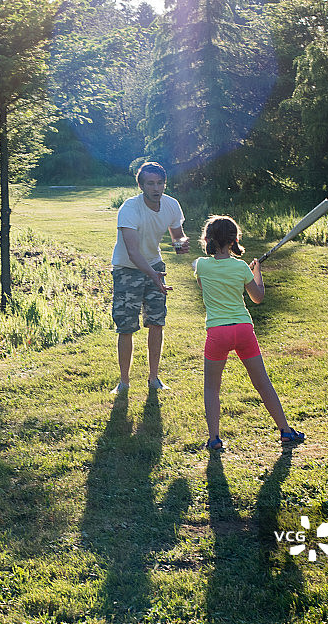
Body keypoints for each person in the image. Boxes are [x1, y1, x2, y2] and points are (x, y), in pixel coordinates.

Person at [193, 215, 305, 450]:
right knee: (263, 383)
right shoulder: (242, 267)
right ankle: (285, 430)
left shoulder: (201, 265)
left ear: (208, 239)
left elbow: (204, 285)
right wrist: (256, 272)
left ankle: (214, 438)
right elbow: (257, 297)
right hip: (243, 330)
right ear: (234, 240)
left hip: (217, 332)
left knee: (212, 388)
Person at [111, 161, 189, 393]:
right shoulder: (129, 208)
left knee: (157, 321)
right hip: (126, 269)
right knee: (126, 326)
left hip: (155, 265)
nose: (156, 188)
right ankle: (124, 383)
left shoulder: (172, 205)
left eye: (160, 183)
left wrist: (180, 245)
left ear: (165, 183)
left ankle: (154, 378)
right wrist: (153, 275)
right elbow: (133, 251)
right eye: (151, 183)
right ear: (141, 186)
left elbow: (178, 235)